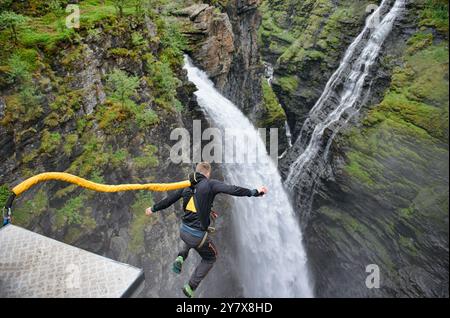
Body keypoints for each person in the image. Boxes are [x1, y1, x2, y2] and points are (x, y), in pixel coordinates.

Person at [145, 162, 268, 298]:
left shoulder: (186, 185)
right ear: (208, 174)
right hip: (197, 237)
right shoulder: (211, 184)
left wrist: (153, 208)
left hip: (183, 231)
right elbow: (233, 189)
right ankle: (190, 286)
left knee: (191, 239)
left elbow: (169, 200)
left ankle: (181, 256)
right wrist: (255, 192)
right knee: (211, 257)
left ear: (197, 172)